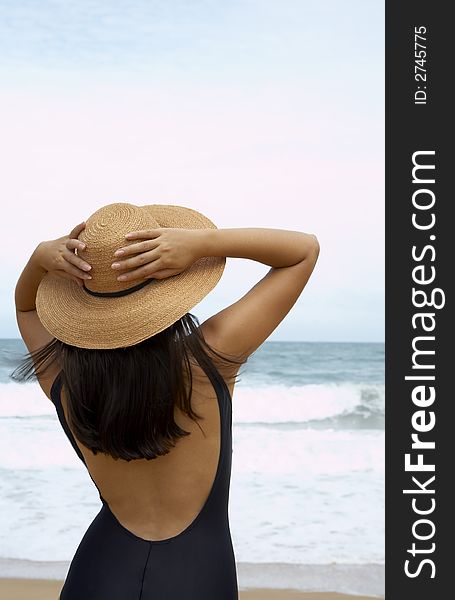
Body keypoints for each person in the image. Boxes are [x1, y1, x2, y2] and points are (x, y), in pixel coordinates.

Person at [12, 202, 320, 599]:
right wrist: (202, 244)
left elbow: (25, 305)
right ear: (168, 290)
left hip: (100, 570)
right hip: (198, 575)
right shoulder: (209, 360)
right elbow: (302, 251)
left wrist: (39, 258)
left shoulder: (63, 380)